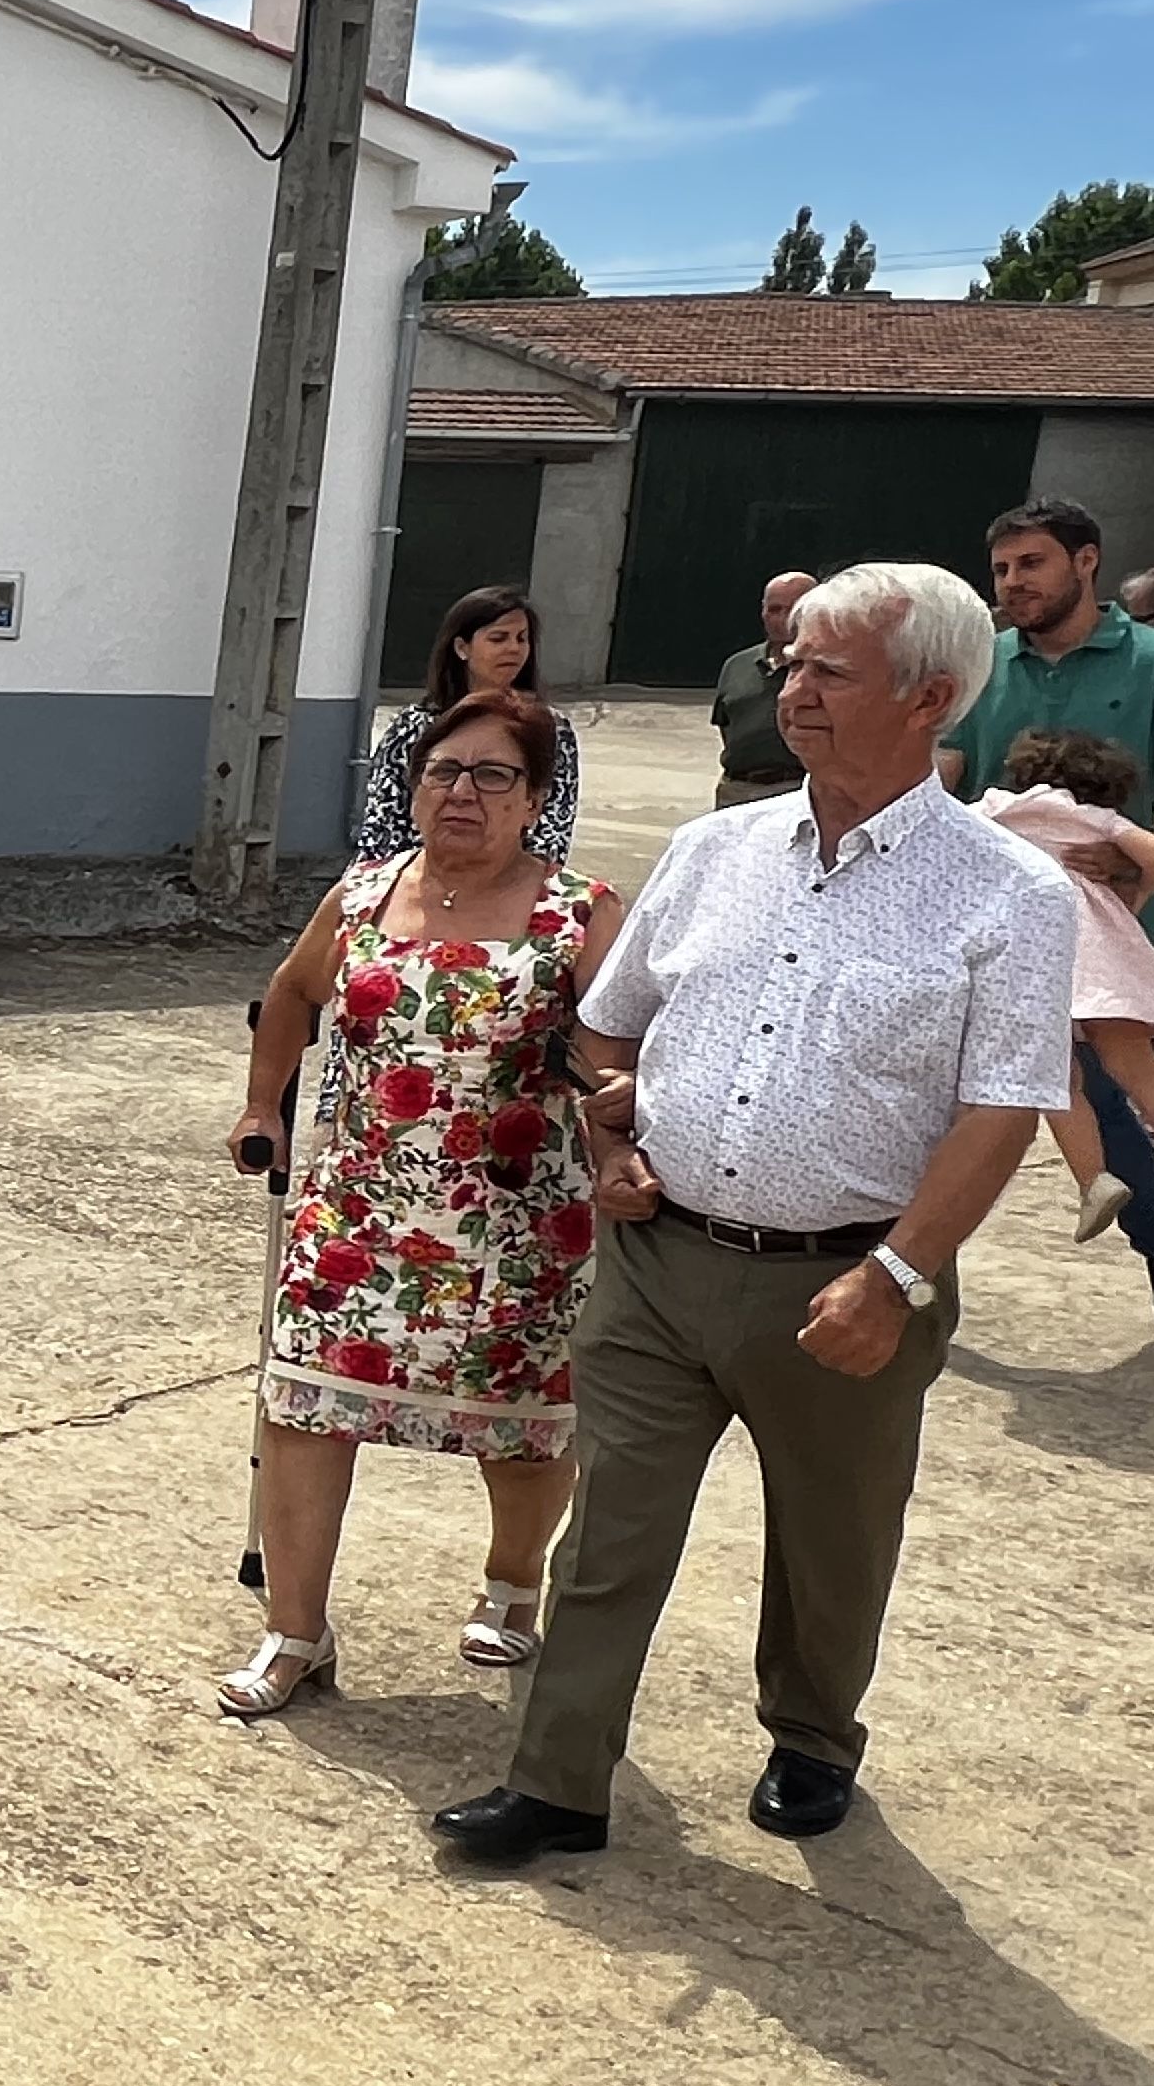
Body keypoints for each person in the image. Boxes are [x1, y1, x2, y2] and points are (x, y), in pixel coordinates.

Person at [436, 562, 1077, 1868]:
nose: (793, 688)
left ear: (931, 697)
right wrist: (608, 1133)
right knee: (609, 1534)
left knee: (831, 1542)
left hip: (845, 1283)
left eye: (830, 669)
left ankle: (811, 1737)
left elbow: (1001, 1110)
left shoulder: (1013, 896)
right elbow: (607, 1028)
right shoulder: (712, 850)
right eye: (791, 662)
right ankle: (558, 1781)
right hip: (660, 1264)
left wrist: (898, 1275)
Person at [221, 690, 621, 1716]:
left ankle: (512, 1585)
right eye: (445, 771)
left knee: (522, 1425)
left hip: (519, 1228)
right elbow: (293, 995)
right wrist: (262, 1104)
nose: (464, 794)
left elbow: (626, 1058)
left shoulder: (581, 912)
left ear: (535, 799)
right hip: (357, 1210)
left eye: (495, 777)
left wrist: (622, 1140)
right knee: (305, 1409)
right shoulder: (364, 893)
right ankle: (296, 1634)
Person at [937, 498, 1154, 1344]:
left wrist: (1139, 855)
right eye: (1001, 569)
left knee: (1116, 1103)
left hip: (1115, 938)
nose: (1011, 584)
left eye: (1029, 565)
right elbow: (947, 772)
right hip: (990, 941)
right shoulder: (983, 662)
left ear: (1086, 563)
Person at [973, 729, 1154, 1239]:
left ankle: (1093, 1178)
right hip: (1102, 956)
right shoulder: (1095, 819)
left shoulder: (1000, 808)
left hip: (1035, 956)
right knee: (1138, 1067)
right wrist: (1138, 892)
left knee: (1056, 1077)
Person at [356, 586, 579, 865]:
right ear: (462, 648)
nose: (514, 648)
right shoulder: (414, 726)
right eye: (498, 638)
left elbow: (554, 830)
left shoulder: (550, 730)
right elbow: (383, 824)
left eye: (522, 638)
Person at [710, 569, 814, 809]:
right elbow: (727, 724)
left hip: (795, 792)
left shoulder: (829, 668)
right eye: (775, 609)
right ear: (763, 612)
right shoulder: (738, 665)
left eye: (794, 609)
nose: (784, 619)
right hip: (735, 791)